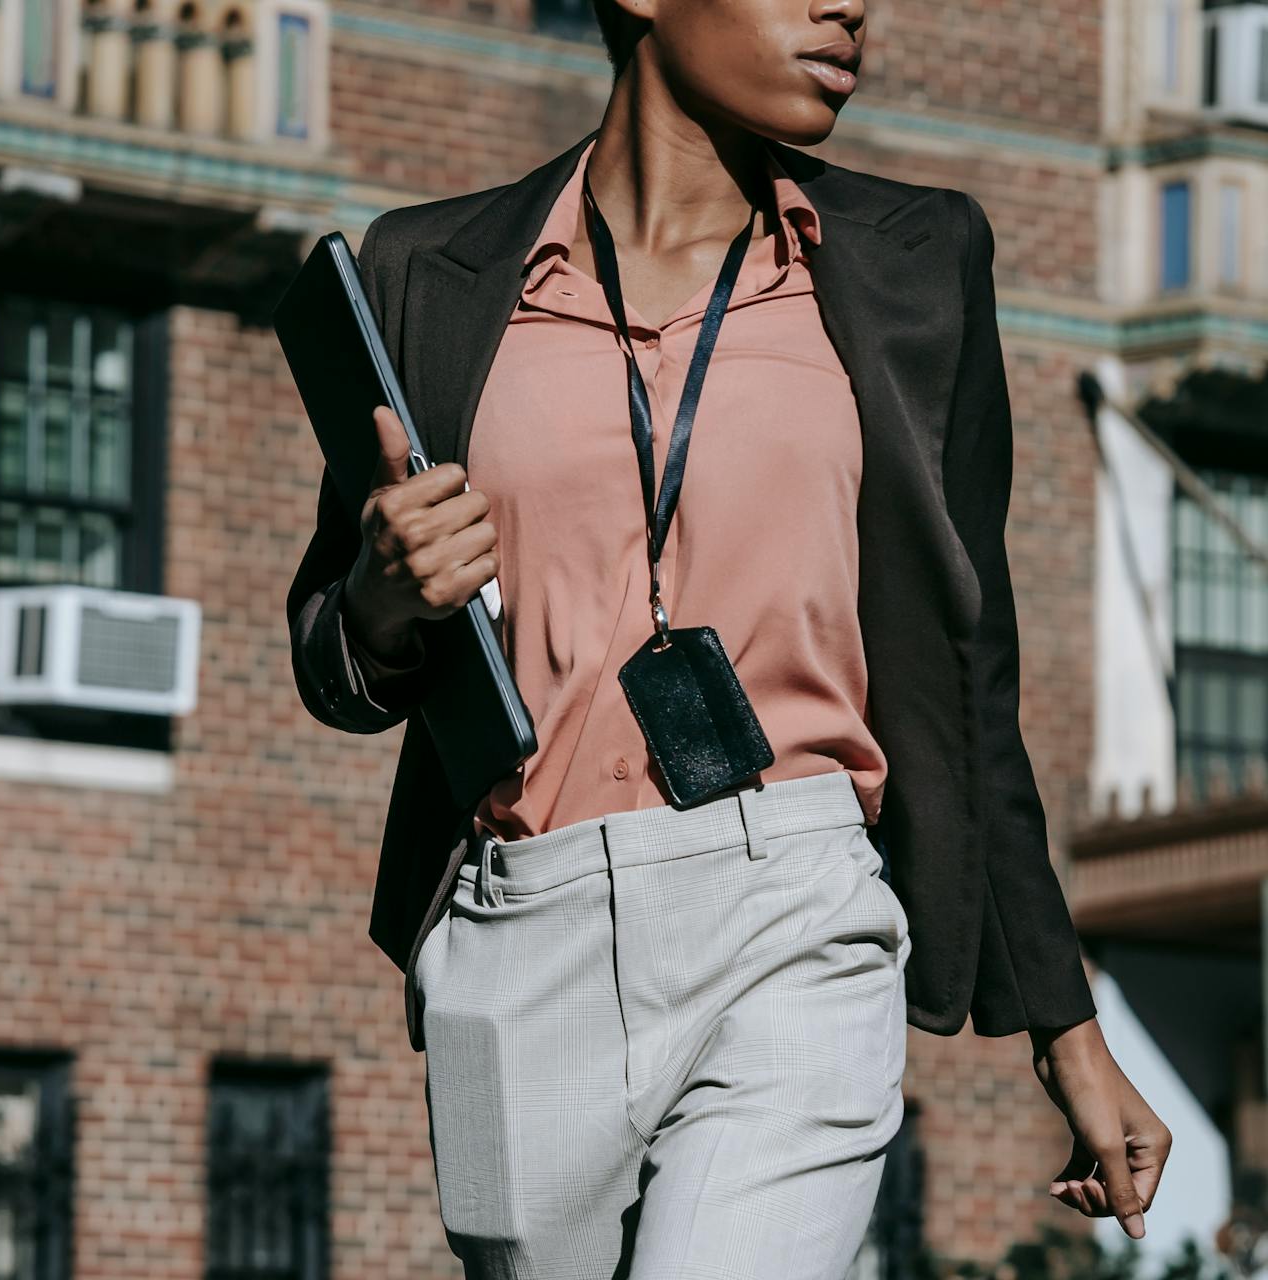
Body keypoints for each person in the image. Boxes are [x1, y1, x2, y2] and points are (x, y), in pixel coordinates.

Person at [282, 0, 1172, 1274]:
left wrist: (1068, 1030)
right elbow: (335, 660)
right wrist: (382, 592)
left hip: (795, 905)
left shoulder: (915, 262)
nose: (848, 8)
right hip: (515, 922)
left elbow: (971, 671)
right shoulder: (427, 272)